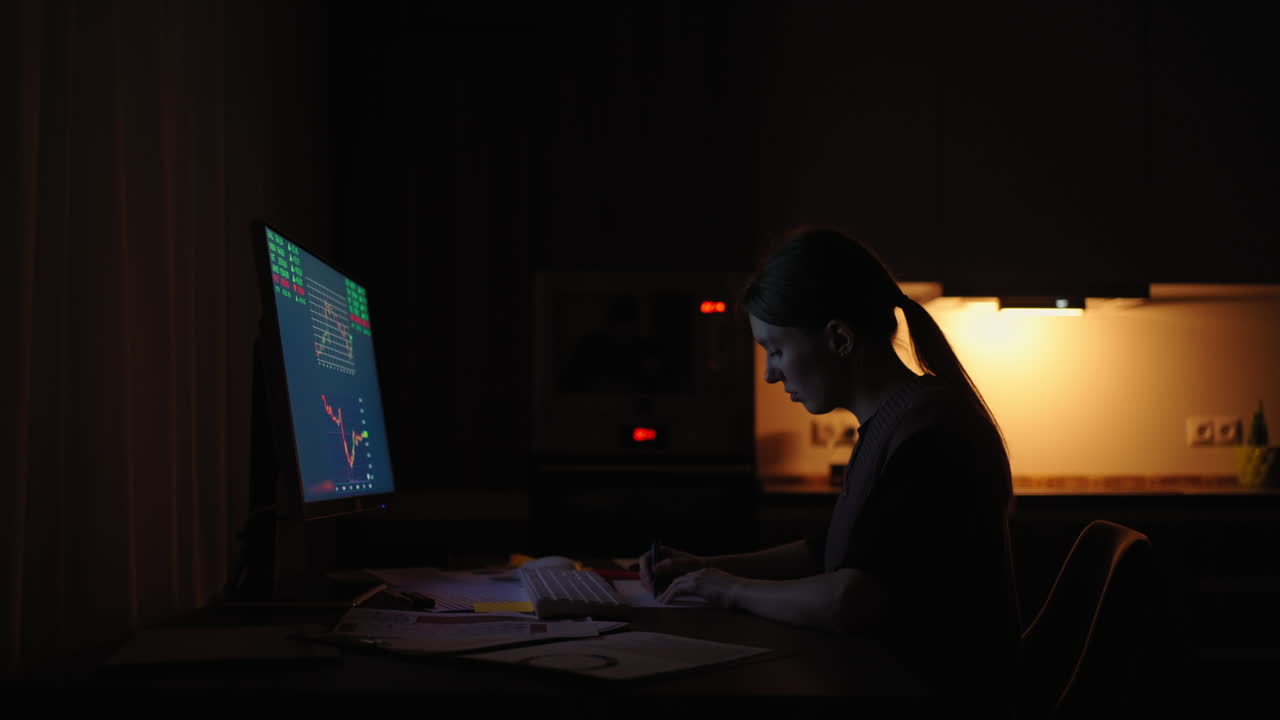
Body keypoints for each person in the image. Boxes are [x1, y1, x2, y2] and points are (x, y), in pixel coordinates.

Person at [640, 227, 1021, 708]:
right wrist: (708, 568)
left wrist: (729, 590)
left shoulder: (932, 436)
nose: (770, 373)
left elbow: (849, 599)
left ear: (839, 339)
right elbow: (835, 551)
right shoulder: (897, 421)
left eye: (776, 350)